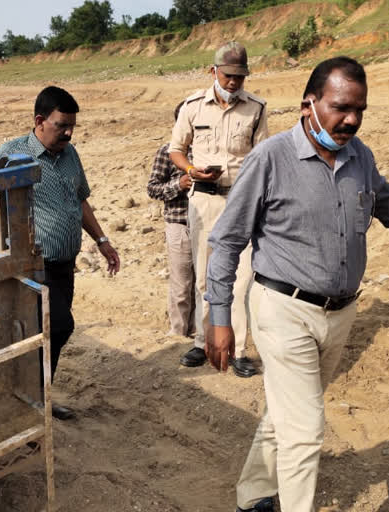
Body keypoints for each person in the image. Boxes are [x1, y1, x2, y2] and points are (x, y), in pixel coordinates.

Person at [204, 56, 389, 512]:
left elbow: (387, 201)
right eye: (341, 107)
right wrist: (219, 317)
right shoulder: (271, 158)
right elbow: (225, 241)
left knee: (289, 413)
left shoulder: (360, 156)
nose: (352, 120)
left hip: (340, 314)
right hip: (283, 309)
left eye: (360, 109)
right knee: (306, 429)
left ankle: (253, 495)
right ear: (310, 104)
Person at [0, 86, 120, 421]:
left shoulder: (70, 155)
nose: (68, 133)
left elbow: (79, 200)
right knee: (60, 327)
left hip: (65, 266)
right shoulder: (10, 156)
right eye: (61, 125)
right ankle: (30, 399)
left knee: (48, 332)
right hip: (31, 266)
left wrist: (102, 240)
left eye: (72, 126)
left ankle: (37, 398)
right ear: (40, 121)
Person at [168, 41, 269, 378]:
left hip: (242, 202)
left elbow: (263, 156)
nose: (233, 83)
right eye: (227, 76)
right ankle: (201, 341)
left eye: (240, 77)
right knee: (204, 273)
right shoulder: (193, 106)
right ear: (213, 71)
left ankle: (238, 349)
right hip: (205, 200)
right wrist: (190, 171)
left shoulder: (256, 109)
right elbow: (176, 150)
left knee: (241, 279)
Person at [146, 101, 195, 338]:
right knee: (182, 284)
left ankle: (200, 334)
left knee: (204, 284)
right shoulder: (167, 152)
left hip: (208, 224)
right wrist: (179, 184)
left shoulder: (209, 152)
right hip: (180, 223)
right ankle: (178, 334)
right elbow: (153, 188)